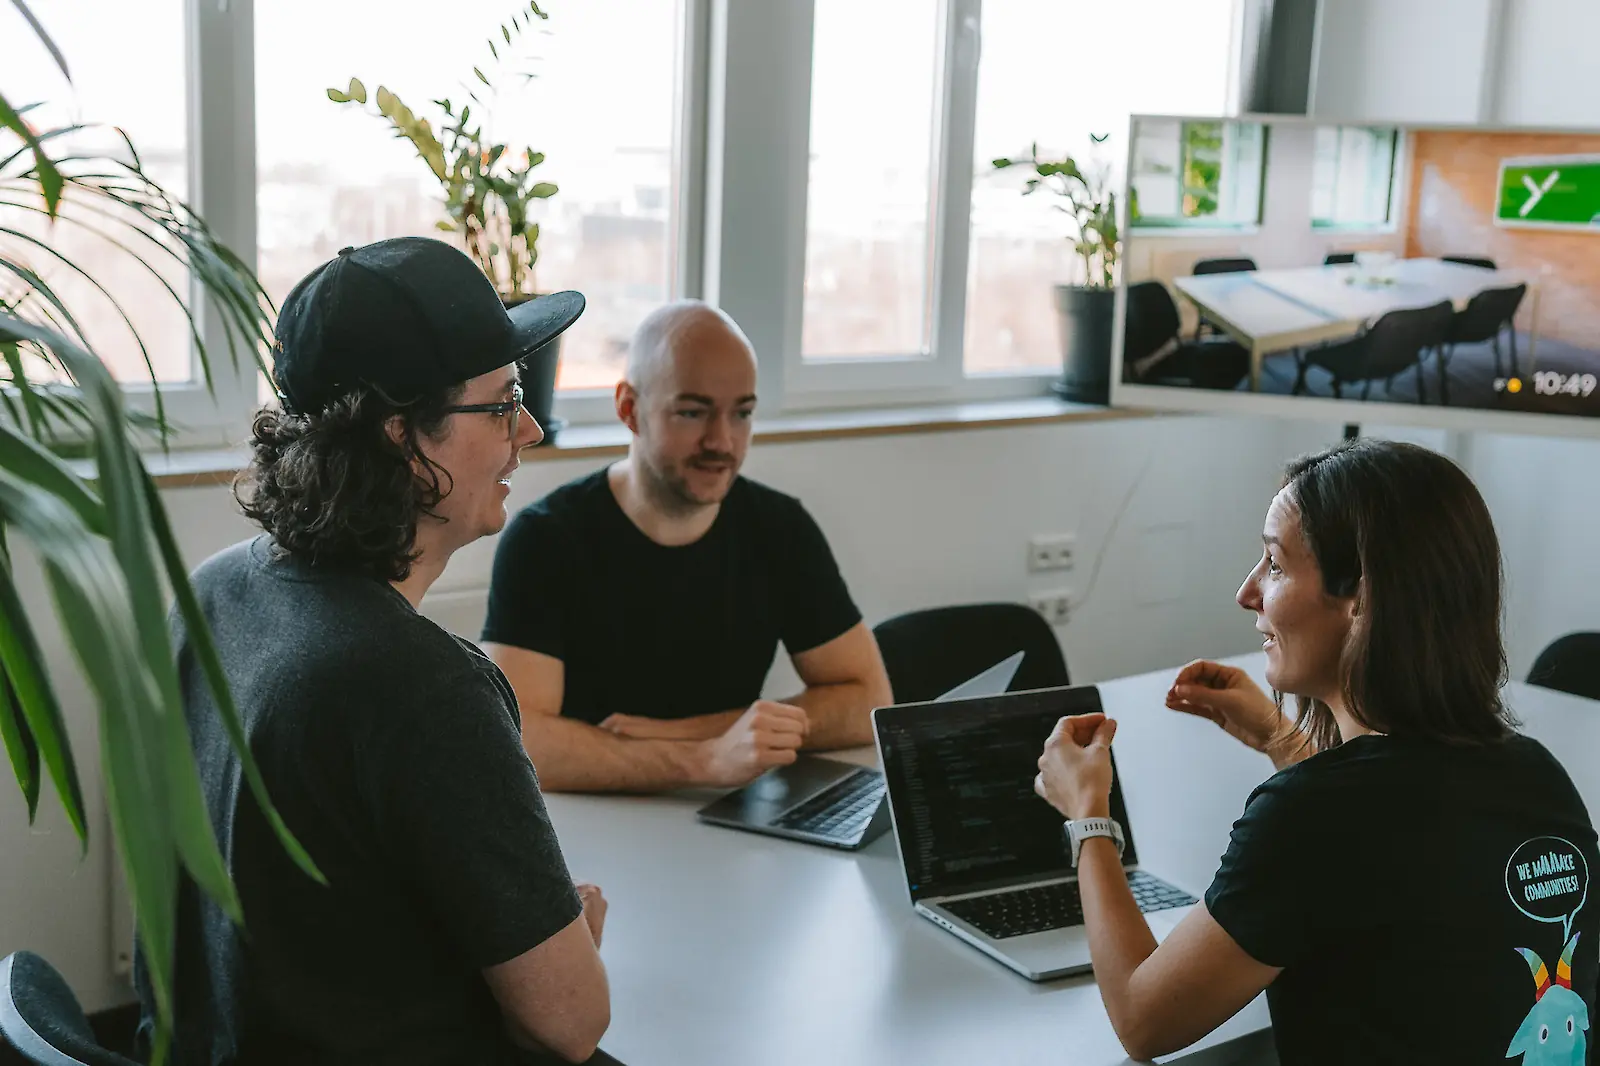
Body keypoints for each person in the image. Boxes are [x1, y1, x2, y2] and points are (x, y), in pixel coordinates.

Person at [138, 237, 618, 1066]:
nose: (531, 429)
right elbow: (570, 1023)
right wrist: (568, 935)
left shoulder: (211, 592)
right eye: (503, 403)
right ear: (403, 436)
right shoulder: (423, 686)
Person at [1034, 439, 1597, 1064]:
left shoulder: (1309, 817)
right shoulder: (1538, 777)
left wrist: (1088, 814)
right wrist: (1280, 739)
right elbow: (1392, 856)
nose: (1248, 592)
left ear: (1361, 600)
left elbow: (1144, 1021)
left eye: (1275, 565)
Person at [481, 300, 892, 793]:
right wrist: (703, 760)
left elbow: (868, 699)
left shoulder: (780, 528)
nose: (722, 442)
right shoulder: (546, 539)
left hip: (732, 813)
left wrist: (697, 733)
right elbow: (521, 738)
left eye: (742, 413)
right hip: (591, 822)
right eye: (693, 413)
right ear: (629, 409)